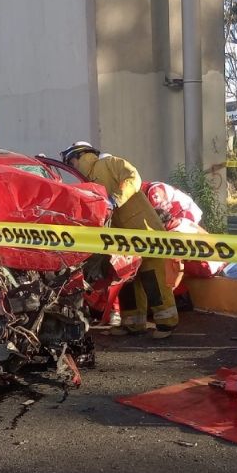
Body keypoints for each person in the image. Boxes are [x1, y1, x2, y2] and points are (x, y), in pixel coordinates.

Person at [61, 141, 179, 339]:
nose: (72, 167)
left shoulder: (108, 163)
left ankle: (166, 324)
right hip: (123, 237)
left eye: (71, 162)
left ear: (79, 156)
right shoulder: (87, 181)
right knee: (129, 279)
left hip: (144, 230)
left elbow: (133, 177)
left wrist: (116, 198)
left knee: (152, 277)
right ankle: (134, 324)